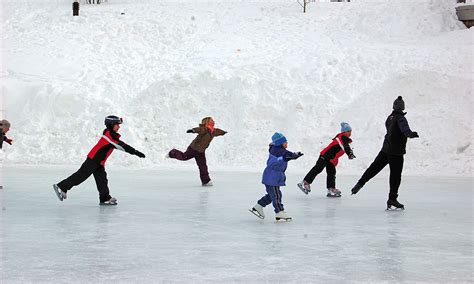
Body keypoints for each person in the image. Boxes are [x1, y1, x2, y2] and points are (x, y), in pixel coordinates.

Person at [53, 115, 146, 206]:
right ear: (111, 125)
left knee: (102, 180)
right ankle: (62, 187)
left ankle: (105, 198)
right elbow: (122, 146)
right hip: (93, 160)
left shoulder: (110, 135)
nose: (119, 127)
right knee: (80, 176)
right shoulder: (109, 137)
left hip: (99, 162)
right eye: (117, 124)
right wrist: (136, 152)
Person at [351, 96, 419, 210]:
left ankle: (360, 183)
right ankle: (392, 198)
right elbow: (404, 129)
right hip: (396, 152)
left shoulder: (390, 117)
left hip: (385, 149)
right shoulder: (401, 118)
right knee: (395, 176)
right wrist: (410, 134)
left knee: (373, 168)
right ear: (402, 107)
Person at [249, 132, 303, 221]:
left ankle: (258, 206)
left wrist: (294, 155)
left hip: (272, 176)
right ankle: (279, 212)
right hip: (272, 177)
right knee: (277, 195)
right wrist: (294, 155)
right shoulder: (278, 151)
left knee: (272, 195)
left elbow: (285, 155)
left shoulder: (276, 149)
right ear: (280, 143)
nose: (287, 143)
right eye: (285, 142)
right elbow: (286, 155)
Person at [297, 122, 355, 197]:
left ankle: (331, 189)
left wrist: (347, 154)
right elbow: (345, 146)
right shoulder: (341, 137)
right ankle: (305, 182)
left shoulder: (344, 139)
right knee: (318, 168)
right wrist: (349, 153)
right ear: (343, 132)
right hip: (325, 156)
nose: (350, 133)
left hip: (331, 159)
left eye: (350, 131)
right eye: (348, 131)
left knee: (331, 172)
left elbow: (342, 149)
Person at [167, 117, 226, 186]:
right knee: (184, 157)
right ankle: (172, 153)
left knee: (203, 166)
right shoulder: (205, 129)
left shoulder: (213, 131)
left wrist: (224, 132)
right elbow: (200, 130)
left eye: (213, 120)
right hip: (194, 148)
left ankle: (206, 181)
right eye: (211, 120)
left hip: (201, 151)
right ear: (207, 122)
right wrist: (193, 130)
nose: (213, 121)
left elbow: (218, 131)